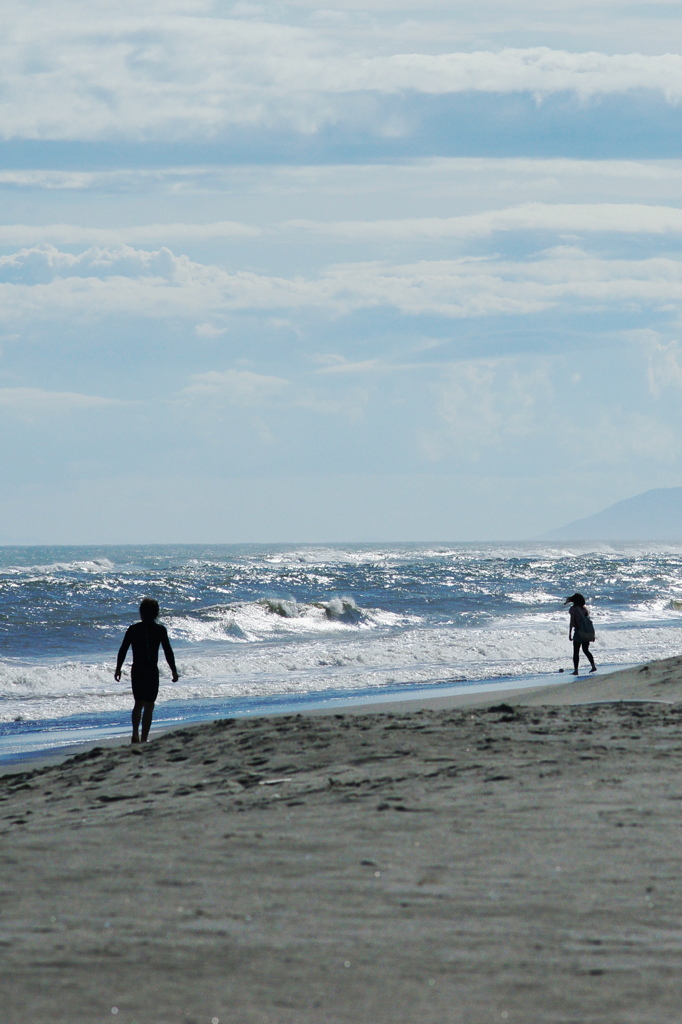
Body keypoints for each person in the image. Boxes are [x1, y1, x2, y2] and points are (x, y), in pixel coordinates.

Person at [114, 598, 179, 743]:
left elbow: (123, 650)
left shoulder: (133, 629)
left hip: (137, 669)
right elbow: (168, 651)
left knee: (138, 703)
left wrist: (118, 668)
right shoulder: (160, 630)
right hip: (151, 670)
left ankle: (135, 733)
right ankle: (144, 739)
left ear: (141, 613)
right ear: (156, 613)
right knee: (149, 705)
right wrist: (173, 670)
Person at [565, 592, 596, 676]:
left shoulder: (573, 609)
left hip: (578, 632)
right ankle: (593, 666)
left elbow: (572, 621)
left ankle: (576, 670)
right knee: (586, 650)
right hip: (585, 632)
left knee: (576, 652)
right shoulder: (585, 609)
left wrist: (570, 633)